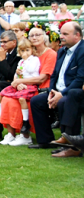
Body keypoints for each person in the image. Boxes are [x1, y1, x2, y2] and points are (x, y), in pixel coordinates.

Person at [29, 22, 84, 150]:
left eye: (65, 34)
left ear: (77, 35)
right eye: (61, 33)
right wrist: (51, 92)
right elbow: (54, 75)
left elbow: (80, 78)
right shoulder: (61, 51)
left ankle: (68, 142)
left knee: (64, 101)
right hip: (57, 91)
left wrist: (61, 93)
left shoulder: (82, 51)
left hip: (74, 92)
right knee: (37, 101)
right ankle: (45, 140)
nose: (61, 36)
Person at [0, 27, 57, 146]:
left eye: (37, 35)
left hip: (42, 88)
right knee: (6, 98)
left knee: (17, 100)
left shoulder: (50, 54)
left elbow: (42, 78)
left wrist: (20, 82)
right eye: (32, 35)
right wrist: (19, 82)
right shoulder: (28, 54)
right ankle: (12, 133)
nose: (34, 37)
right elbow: (19, 73)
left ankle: (25, 134)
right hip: (26, 85)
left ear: (44, 36)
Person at [0, 39, 41, 145]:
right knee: (1, 95)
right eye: (22, 51)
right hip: (20, 85)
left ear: (32, 50)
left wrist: (25, 60)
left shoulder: (34, 60)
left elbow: (31, 71)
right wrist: (16, 79)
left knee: (20, 99)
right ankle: (3, 120)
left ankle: (25, 126)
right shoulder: (21, 61)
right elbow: (16, 77)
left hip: (30, 86)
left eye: (27, 50)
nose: (25, 53)